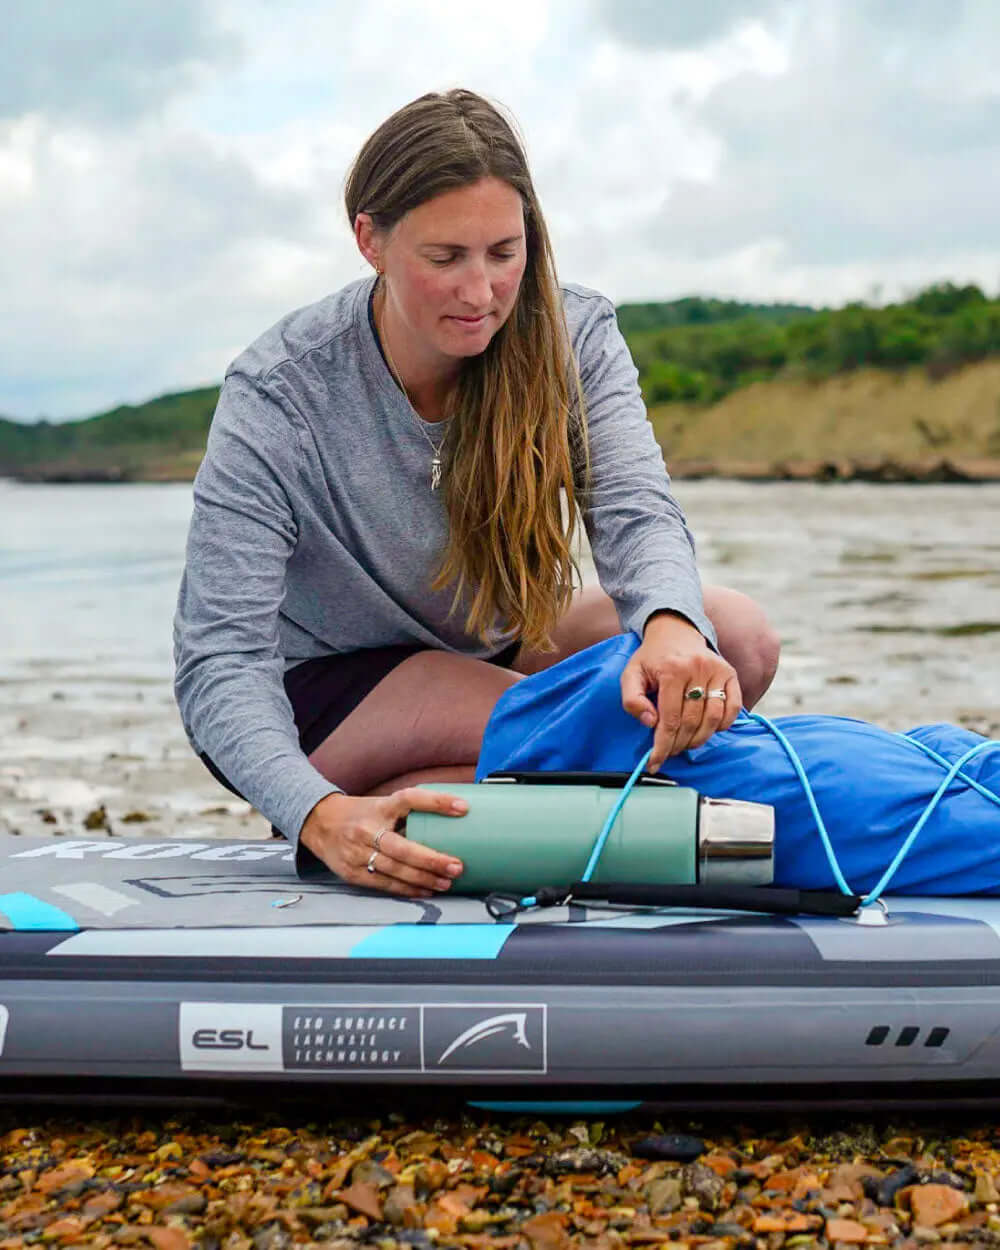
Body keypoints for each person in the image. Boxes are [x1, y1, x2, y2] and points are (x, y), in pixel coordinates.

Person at [173, 88, 780, 897]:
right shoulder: (280, 392)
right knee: (594, 722)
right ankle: (347, 810)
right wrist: (314, 809)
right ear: (371, 241)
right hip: (323, 690)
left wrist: (670, 628)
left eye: (503, 251)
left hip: (480, 642)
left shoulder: (574, 336)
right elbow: (218, 658)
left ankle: (435, 797)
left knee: (732, 641)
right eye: (445, 257)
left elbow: (634, 509)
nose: (482, 291)